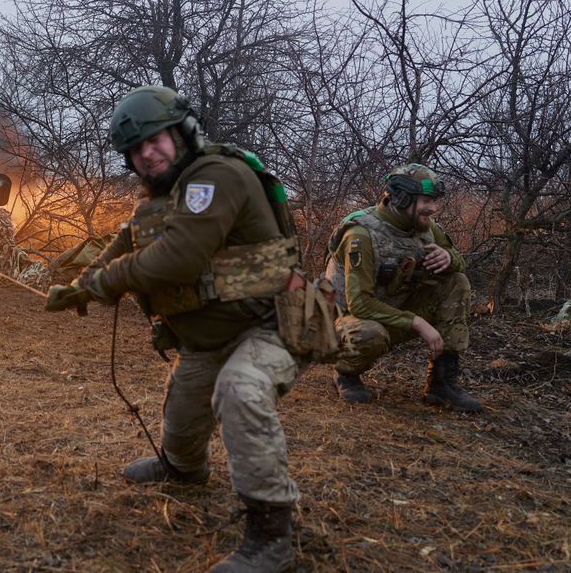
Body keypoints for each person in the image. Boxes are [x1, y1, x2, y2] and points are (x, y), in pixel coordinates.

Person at [47, 86, 303, 573]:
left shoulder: (216, 175)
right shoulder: (161, 199)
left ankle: (272, 536)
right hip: (207, 339)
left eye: (155, 139)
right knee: (182, 420)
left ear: (182, 130)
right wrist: (81, 288)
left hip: (270, 324)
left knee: (241, 389)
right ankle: (185, 471)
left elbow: (179, 259)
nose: (147, 153)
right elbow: (124, 244)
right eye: (136, 149)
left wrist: (106, 282)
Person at [326, 163, 481, 412]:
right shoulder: (361, 233)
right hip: (349, 322)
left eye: (435, 201)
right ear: (401, 198)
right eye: (426, 201)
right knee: (369, 334)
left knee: (456, 281)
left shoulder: (427, 228)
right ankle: (346, 373)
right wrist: (417, 322)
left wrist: (449, 258)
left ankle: (442, 384)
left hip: (393, 312)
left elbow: (459, 262)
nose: (433, 208)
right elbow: (360, 304)